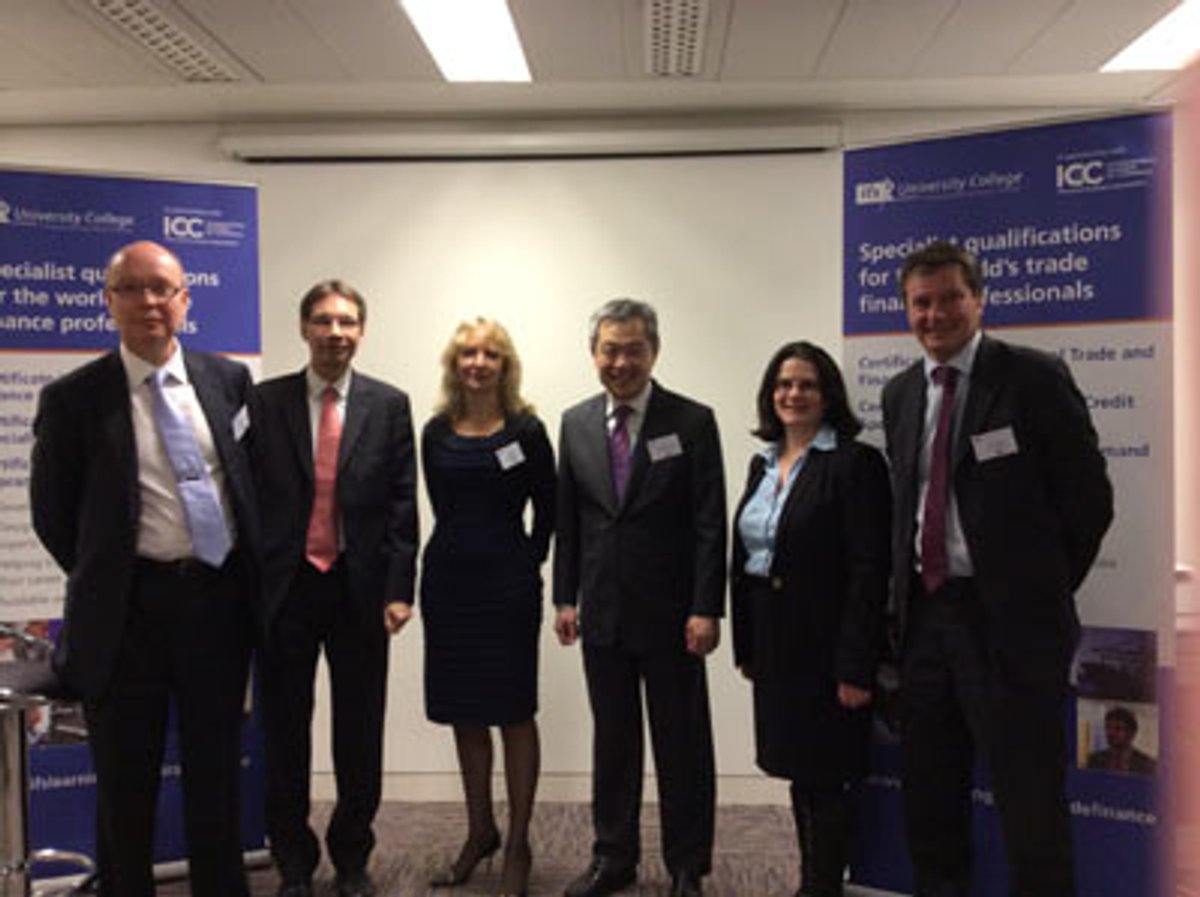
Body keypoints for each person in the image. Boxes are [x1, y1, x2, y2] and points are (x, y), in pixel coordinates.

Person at [881, 241, 1113, 897]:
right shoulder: (901, 393)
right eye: (921, 303)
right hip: (926, 622)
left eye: (950, 298)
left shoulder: (1033, 378)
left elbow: (1089, 501)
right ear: (907, 310)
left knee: (1030, 802)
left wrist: (1036, 591)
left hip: (1010, 628)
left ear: (979, 300)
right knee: (930, 798)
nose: (935, 315)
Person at [30, 240, 259, 896]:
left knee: (217, 778)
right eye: (131, 288)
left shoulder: (228, 381)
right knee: (125, 788)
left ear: (185, 299)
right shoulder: (74, 398)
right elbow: (53, 515)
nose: (149, 301)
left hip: (215, 605)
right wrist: (111, 576)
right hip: (125, 617)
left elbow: (247, 484)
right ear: (109, 302)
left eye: (162, 288)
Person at [249, 279, 418, 897]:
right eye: (323, 321)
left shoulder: (389, 405)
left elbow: (403, 503)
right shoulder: (263, 402)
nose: (335, 332)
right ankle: (293, 857)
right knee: (283, 732)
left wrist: (400, 589)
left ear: (361, 331)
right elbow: (244, 497)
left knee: (359, 731)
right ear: (304, 329)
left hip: (360, 589)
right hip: (284, 591)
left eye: (347, 322)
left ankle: (352, 855)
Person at [554, 298, 726, 897]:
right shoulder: (575, 423)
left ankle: (687, 865)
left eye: (633, 349)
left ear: (654, 351)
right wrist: (564, 598)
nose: (621, 362)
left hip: (674, 616)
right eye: (610, 350)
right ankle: (613, 857)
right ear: (593, 353)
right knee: (613, 741)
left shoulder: (692, 421)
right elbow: (569, 521)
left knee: (682, 744)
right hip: (601, 611)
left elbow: (709, 523)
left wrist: (706, 607)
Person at [731, 341, 890, 897]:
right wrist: (747, 647)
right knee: (799, 770)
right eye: (783, 384)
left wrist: (856, 664)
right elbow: (744, 562)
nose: (793, 394)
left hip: (827, 645)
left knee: (826, 776)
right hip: (775, 642)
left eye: (806, 385)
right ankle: (811, 882)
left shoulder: (854, 464)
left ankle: (822, 887)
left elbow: (870, 570)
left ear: (828, 396)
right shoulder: (761, 463)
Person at [422, 318, 555, 897]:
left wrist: (526, 562)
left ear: (506, 365)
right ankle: (481, 831)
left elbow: (549, 509)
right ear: (455, 364)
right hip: (449, 585)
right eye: (468, 354)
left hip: (508, 588)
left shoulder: (527, 430)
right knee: (465, 712)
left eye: (490, 354)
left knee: (514, 711)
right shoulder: (435, 432)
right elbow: (442, 506)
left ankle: (518, 842)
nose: (478, 363)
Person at [1086, 706, 1156, 776]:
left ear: (1131, 733)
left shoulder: (1147, 765)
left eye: (1118, 728)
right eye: (1108, 727)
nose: (1111, 732)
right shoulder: (1094, 760)